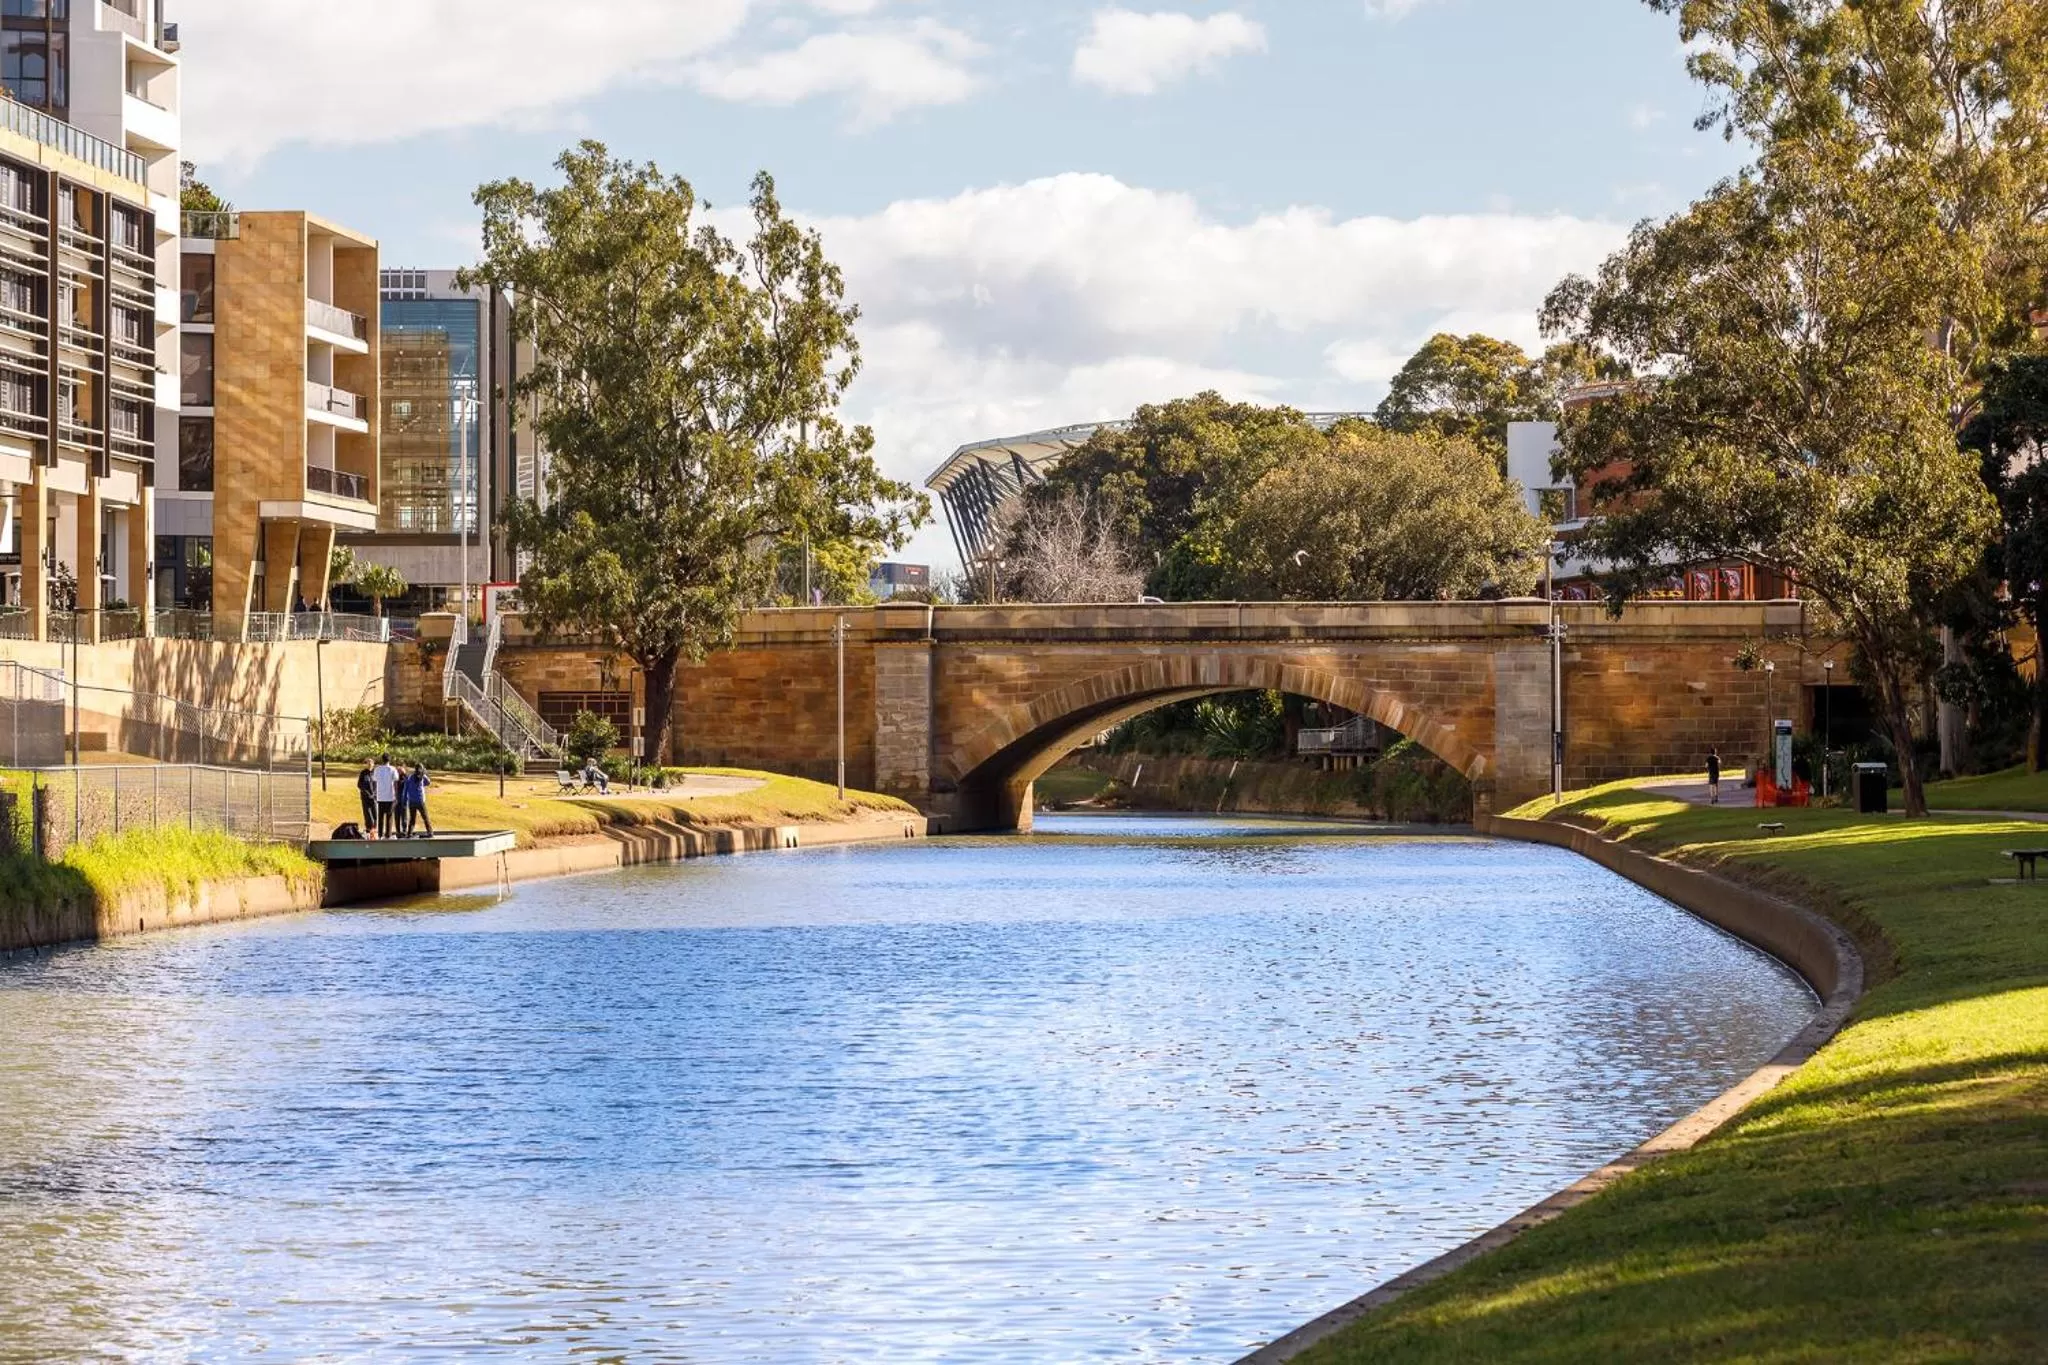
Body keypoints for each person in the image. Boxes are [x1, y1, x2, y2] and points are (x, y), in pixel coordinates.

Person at [372, 753, 401, 839]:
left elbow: (374, 781)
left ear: (382, 760)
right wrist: (396, 795)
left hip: (380, 796)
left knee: (380, 816)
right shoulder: (392, 769)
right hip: (390, 796)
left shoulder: (377, 769)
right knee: (389, 816)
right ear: (389, 760)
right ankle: (388, 835)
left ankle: (380, 834)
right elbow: (396, 782)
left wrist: (375, 793)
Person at [402, 762, 434, 838]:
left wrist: (404, 800)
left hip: (412, 801)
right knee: (425, 817)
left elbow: (405, 790)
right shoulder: (422, 777)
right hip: (420, 801)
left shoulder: (410, 777)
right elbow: (428, 782)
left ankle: (409, 833)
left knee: (412, 819)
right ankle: (430, 832)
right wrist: (424, 774)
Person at [355, 760, 378, 839]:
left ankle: (374, 832)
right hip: (365, 798)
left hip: (374, 798)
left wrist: (374, 794)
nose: (369, 765)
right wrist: (367, 793)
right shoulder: (363, 773)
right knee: (368, 815)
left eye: (371, 764)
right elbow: (359, 785)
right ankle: (369, 831)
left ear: (373, 764)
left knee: (375, 815)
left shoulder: (376, 773)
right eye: (368, 764)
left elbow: (378, 785)